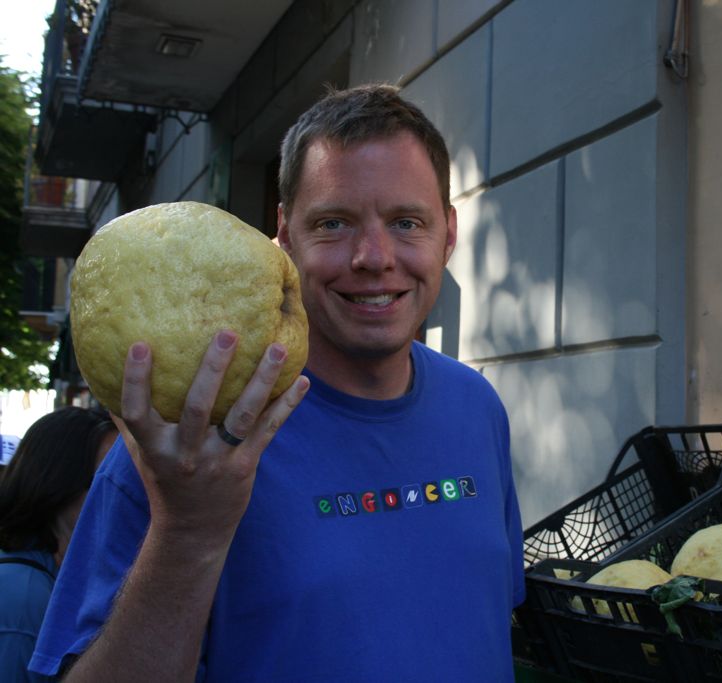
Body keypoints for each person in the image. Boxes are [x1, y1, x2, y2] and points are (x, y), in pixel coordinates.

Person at [30, 84, 526, 682]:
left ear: (447, 234)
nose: (373, 256)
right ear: (285, 237)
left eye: (406, 222)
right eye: (334, 222)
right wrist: (188, 532)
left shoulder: (477, 406)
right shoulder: (190, 440)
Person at [0, 407, 117, 682]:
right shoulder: (23, 595)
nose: (126, 496)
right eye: (105, 482)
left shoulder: (52, 576)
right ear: (58, 483)